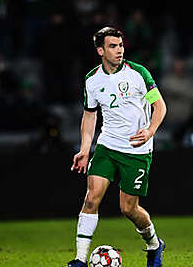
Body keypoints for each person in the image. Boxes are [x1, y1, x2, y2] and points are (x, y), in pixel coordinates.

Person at [67, 27, 167, 267]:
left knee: (128, 209)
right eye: (113, 46)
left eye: (121, 45)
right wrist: (84, 149)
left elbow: (160, 107)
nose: (119, 50)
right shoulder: (92, 80)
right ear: (101, 50)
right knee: (91, 198)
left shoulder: (138, 74)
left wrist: (150, 131)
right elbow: (89, 116)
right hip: (107, 146)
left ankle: (154, 244)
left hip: (136, 150)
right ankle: (80, 260)